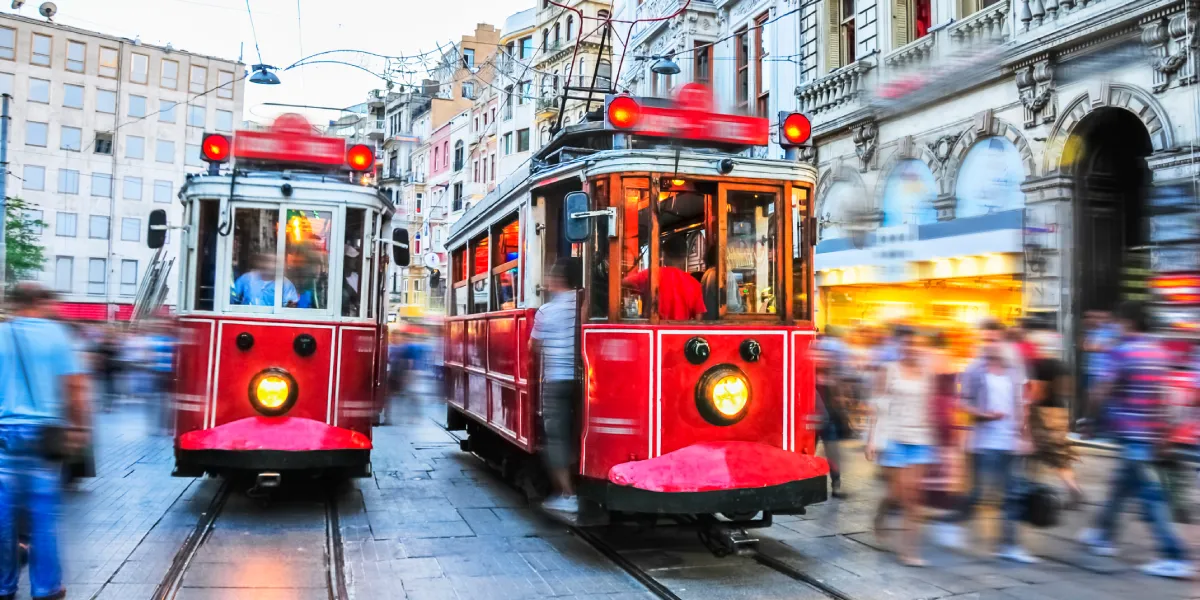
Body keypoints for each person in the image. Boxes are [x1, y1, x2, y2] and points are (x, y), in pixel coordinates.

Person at [1078, 301, 1194, 579]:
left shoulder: (1122, 351)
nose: (1115, 326)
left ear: (1128, 323)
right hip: (1149, 434)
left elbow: (1101, 390)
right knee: (1119, 487)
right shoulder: (1158, 352)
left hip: (1133, 435)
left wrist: (1089, 420)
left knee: (1150, 498)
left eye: (1118, 322)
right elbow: (1167, 396)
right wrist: (1166, 432)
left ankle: (1174, 555)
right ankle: (1102, 534)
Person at [0, 283, 90, 600]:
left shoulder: (1, 334)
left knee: (3, 515)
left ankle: (4, 585)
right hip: (44, 435)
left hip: (4, 435)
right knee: (43, 514)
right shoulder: (56, 335)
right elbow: (75, 387)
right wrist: (80, 428)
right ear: (39, 302)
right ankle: (46, 587)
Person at [947, 319, 1039, 564]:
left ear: (1002, 341)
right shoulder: (974, 369)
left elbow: (1022, 403)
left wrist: (1025, 434)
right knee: (979, 493)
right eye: (985, 339)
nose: (989, 344)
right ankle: (954, 523)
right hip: (983, 443)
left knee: (1011, 494)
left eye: (994, 340)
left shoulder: (1013, 368)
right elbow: (962, 402)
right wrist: (984, 414)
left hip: (1009, 441)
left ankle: (1008, 545)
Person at [866, 326, 936, 567]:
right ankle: (883, 512)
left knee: (913, 498)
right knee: (897, 495)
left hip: (920, 440)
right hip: (893, 438)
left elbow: (931, 407)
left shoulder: (928, 372)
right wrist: (871, 439)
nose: (912, 348)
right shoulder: (889, 370)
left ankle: (910, 551)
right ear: (900, 346)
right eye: (907, 344)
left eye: (916, 344)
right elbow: (877, 405)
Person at [530, 259, 580, 513]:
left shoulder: (546, 312)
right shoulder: (585, 305)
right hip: (583, 381)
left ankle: (568, 495)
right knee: (579, 431)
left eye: (550, 279)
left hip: (557, 380)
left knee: (557, 436)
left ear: (557, 281)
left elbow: (533, 347)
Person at [1026, 319, 1084, 509]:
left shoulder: (1038, 365)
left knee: (1037, 451)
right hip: (1060, 412)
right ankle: (1069, 488)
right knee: (1056, 455)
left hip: (1043, 415)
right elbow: (1069, 389)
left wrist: (1027, 408)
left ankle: (1033, 489)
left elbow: (1036, 391)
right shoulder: (1061, 364)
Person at [623, 239, 706, 321]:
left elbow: (623, 282)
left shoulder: (650, 275)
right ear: (685, 257)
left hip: (653, 330)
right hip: (681, 333)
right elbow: (698, 319)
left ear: (664, 255)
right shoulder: (694, 284)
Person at [232, 252, 299, 307]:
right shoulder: (246, 278)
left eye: (274, 262)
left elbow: (291, 306)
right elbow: (232, 298)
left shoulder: (285, 284)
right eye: (266, 261)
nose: (269, 265)